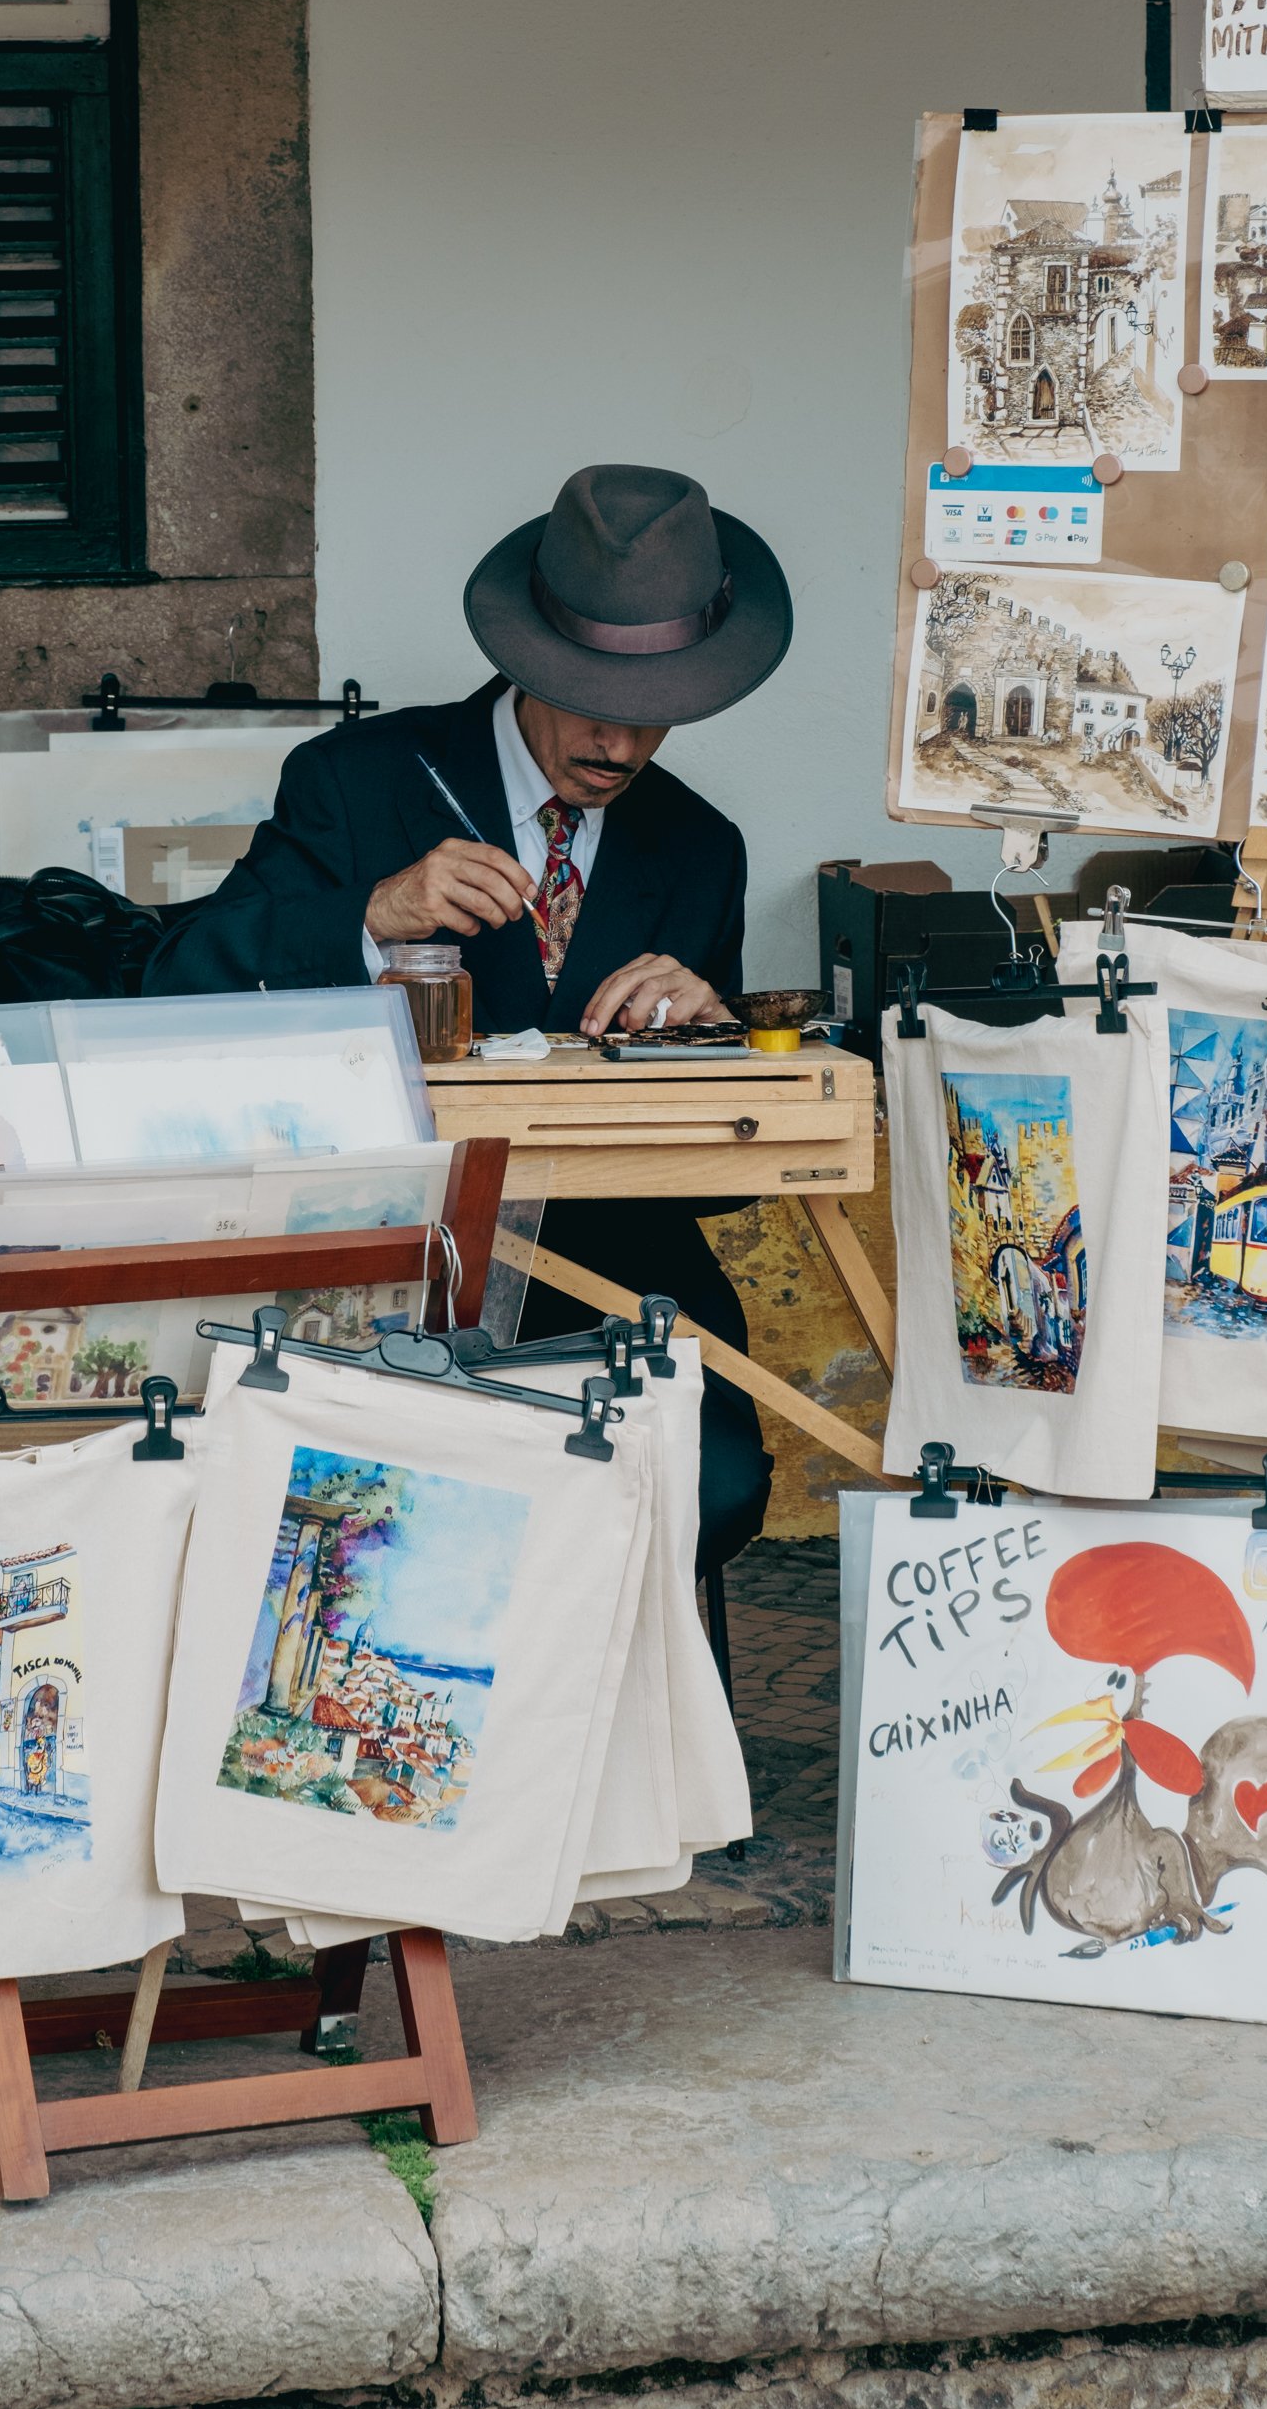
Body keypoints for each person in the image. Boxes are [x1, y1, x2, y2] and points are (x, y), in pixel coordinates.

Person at [148, 462, 794, 1576]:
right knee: (377, 1513)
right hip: (379, 1261)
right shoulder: (355, 781)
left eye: (654, 714)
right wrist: (368, 916)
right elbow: (178, 985)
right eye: (592, 703)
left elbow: (720, 1181)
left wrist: (708, 1042)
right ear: (529, 661)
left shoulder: (700, 847)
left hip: (609, 1275)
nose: (619, 747)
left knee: (713, 1486)